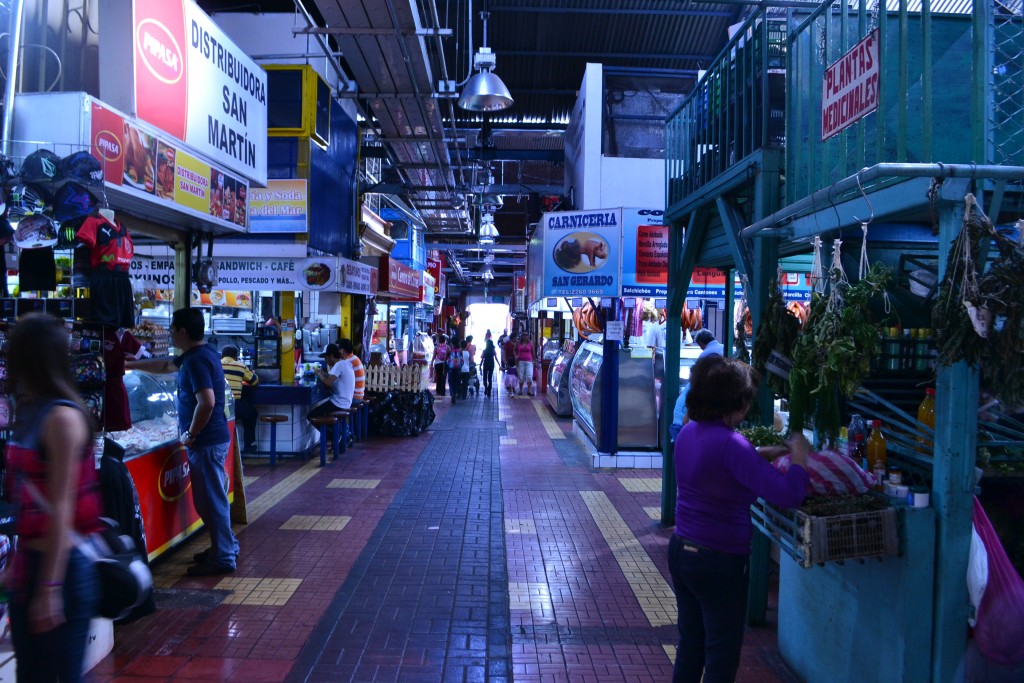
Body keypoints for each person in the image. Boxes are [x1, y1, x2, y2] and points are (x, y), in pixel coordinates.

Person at [669, 355, 810, 683]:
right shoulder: (732, 444)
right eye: (746, 400)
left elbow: (716, 471)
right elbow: (788, 493)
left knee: (691, 645)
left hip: (682, 552)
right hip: (718, 561)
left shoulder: (689, 432)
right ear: (733, 402)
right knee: (721, 655)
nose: (748, 408)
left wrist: (760, 454)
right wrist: (799, 456)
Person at [7, 314, 102, 682]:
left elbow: (61, 507)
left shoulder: (63, 418)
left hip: (63, 568)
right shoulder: (29, 411)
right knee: (31, 673)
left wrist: (49, 588)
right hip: (31, 562)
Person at [128, 308, 239, 577]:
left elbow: (207, 401)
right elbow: (167, 365)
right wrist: (130, 365)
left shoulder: (197, 362)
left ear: (182, 332)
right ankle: (223, 547)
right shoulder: (200, 354)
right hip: (210, 440)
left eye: (172, 330)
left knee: (211, 501)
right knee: (209, 500)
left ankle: (223, 556)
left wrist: (190, 433)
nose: (169, 334)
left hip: (206, 442)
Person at [669, 343, 725, 441]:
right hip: (680, 429)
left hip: (680, 428)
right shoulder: (701, 388)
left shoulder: (697, 383)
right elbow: (686, 421)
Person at [221, 345, 260, 453]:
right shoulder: (240, 366)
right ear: (236, 356)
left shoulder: (216, 365)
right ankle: (249, 445)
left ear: (222, 355)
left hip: (217, 405)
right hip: (234, 405)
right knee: (252, 414)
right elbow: (255, 381)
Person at [309, 343, 355, 420]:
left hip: (339, 403)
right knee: (323, 414)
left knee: (311, 416)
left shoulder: (339, 365)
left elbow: (328, 383)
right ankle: (333, 430)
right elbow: (331, 376)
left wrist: (319, 374)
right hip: (346, 402)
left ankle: (329, 432)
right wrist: (323, 373)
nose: (325, 361)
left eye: (326, 358)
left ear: (331, 356)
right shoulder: (345, 363)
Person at [340, 338, 366, 405]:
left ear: (342, 351)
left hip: (354, 397)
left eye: (338, 349)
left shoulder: (348, 362)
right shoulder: (355, 358)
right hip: (359, 395)